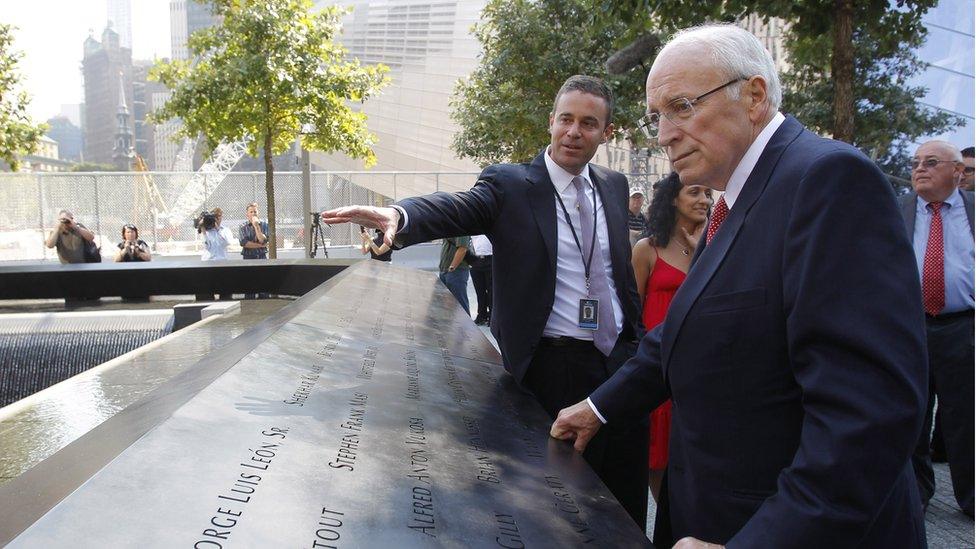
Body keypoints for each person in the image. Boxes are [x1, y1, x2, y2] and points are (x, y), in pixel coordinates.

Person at [550, 25, 927, 548]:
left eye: (681, 106)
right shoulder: (735, 197)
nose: (663, 134)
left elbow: (868, 416)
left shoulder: (829, 181)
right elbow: (688, 330)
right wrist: (601, 406)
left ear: (753, 96)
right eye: (657, 115)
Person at [321, 75, 649, 527]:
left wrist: (637, 340)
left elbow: (617, 273)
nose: (574, 131)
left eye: (589, 123)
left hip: (617, 363)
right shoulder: (511, 184)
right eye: (566, 120)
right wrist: (399, 214)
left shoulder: (613, 186)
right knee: (553, 511)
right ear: (551, 123)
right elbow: (457, 207)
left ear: (606, 133)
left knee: (624, 503)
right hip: (548, 370)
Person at [902, 140, 974, 518]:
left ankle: (971, 496)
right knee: (913, 414)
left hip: (964, 327)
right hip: (911, 326)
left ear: (957, 172)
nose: (920, 169)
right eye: (915, 163)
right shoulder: (900, 210)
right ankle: (916, 494)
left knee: (966, 415)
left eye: (931, 162)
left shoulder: (972, 212)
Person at [631, 173, 711, 504]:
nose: (704, 199)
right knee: (657, 460)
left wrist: (701, 257)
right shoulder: (646, 249)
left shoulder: (715, 247)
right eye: (695, 192)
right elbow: (632, 311)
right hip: (657, 366)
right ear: (673, 199)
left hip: (698, 368)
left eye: (708, 193)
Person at [198, 207, 233, 301]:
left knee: (225, 295)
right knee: (207, 295)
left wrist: (217, 229)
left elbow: (226, 243)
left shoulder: (225, 230)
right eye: (215, 216)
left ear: (221, 217)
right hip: (208, 263)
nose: (217, 219)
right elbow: (207, 247)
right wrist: (203, 229)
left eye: (219, 216)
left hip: (222, 263)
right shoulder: (207, 231)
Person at [239, 202, 270, 299]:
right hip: (248, 258)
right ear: (247, 214)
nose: (253, 214)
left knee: (263, 284)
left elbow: (263, 240)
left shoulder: (264, 225)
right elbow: (244, 243)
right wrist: (260, 245)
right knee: (249, 285)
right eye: (251, 212)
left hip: (261, 257)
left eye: (255, 212)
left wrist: (256, 226)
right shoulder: (242, 227)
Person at [438, 236, 471, 314]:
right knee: (447, 306)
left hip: (456, 271)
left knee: (460, 305)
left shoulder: (461, 228)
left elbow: (462, 248)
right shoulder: (450, 228)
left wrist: (452, 267)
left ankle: (465, 326)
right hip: (445, 270)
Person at [468, 234, 493, 325]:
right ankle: (482, 315)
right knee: (479, 291)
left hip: (490, 258)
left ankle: (492, 316)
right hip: (476, 259)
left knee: (491, 290)